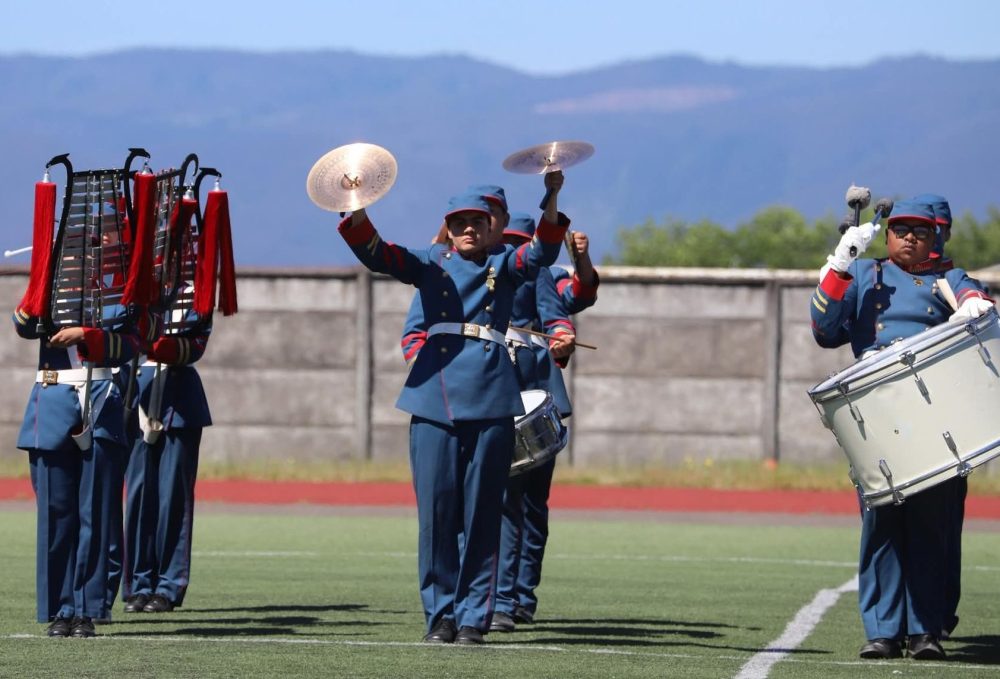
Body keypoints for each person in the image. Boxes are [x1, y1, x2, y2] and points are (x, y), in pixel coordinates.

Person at [338, 172, 569, 645]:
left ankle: (472, 620)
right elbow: (378, 253)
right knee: (437, 515)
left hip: (490, 396)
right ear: (447, 227)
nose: (468, 229)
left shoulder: (507, 262)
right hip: (433, 396)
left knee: (483, 513)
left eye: (477, 222)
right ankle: (440, 615)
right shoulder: (430, 260)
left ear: (494, 226)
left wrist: (551, 198)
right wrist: (357, 205)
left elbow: (542, 252)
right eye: (459, 222)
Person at [809, 198, 993, 661]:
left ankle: (926, 629)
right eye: (901, 229)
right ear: (886, 235)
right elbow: (824, 329)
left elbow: (972, 298)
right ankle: (883, 631)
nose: (910, 237)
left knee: (933, 526)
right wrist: (840, 264)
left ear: (935, 239)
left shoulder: (946, 278)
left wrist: (973, 306)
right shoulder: (865, 276)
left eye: (921, 231)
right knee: (882, 524)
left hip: (938, 415)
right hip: (882, 415)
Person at [491, 214, 599, 633]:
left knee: (530, 505)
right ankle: (501, 597)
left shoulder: (538, 273)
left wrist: (582, 261)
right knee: (501, 501)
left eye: (520, 242)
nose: (511, 250)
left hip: (533, 395)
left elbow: (575, 296)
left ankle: (521, 596)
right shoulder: (483, 271)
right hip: (490, 388)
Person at [13, 305, 140, 638]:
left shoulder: (117, 289)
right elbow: (22, 324)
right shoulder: (50, 293)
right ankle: (59, 608)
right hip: (53, 394)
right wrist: (36, 293)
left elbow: (135, 339)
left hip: (100, 393)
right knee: (56, 513)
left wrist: (88, 335)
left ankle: (86, 608)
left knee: (94, 510)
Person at [120, 284, 212, 614]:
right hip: (137, 389)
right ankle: (137, 584)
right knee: (139, 495)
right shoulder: (133, 284)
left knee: (173, 497)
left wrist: (156, 342)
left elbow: (195, 344)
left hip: (178, 396)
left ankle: (168, 586)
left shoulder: (196, 290)